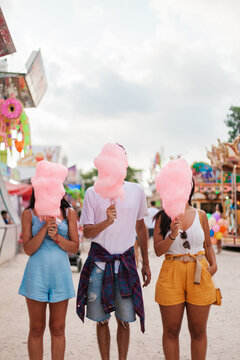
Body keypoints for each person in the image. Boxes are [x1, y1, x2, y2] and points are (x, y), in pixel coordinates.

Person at [76, 146, 151, 360]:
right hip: (99, 263)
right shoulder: (92, 192)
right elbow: (88, 232)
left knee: (125, 320)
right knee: (101, 320)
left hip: (126, 261)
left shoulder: (137, 191)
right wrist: (107, 221)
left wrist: (145, 263)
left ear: (124, 162)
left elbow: (141, 229)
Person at [154, 180, 217, 360]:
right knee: (171, 330)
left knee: (198, 330)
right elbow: (158, 250)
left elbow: (208, 246)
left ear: (191, 187)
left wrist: (213, 267)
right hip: (171, 272)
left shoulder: (201, 215)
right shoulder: (163, 217)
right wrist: (173, 234)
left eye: (187, 183)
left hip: (199, 271)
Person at [18, 190, 79, 360]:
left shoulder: (69, 213)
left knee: (58, 328)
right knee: (36, 328)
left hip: (60, 276)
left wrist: (57, 237)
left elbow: (74, 248)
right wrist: (45, 228)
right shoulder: (28, 213)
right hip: (36, 276)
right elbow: (28, 249)